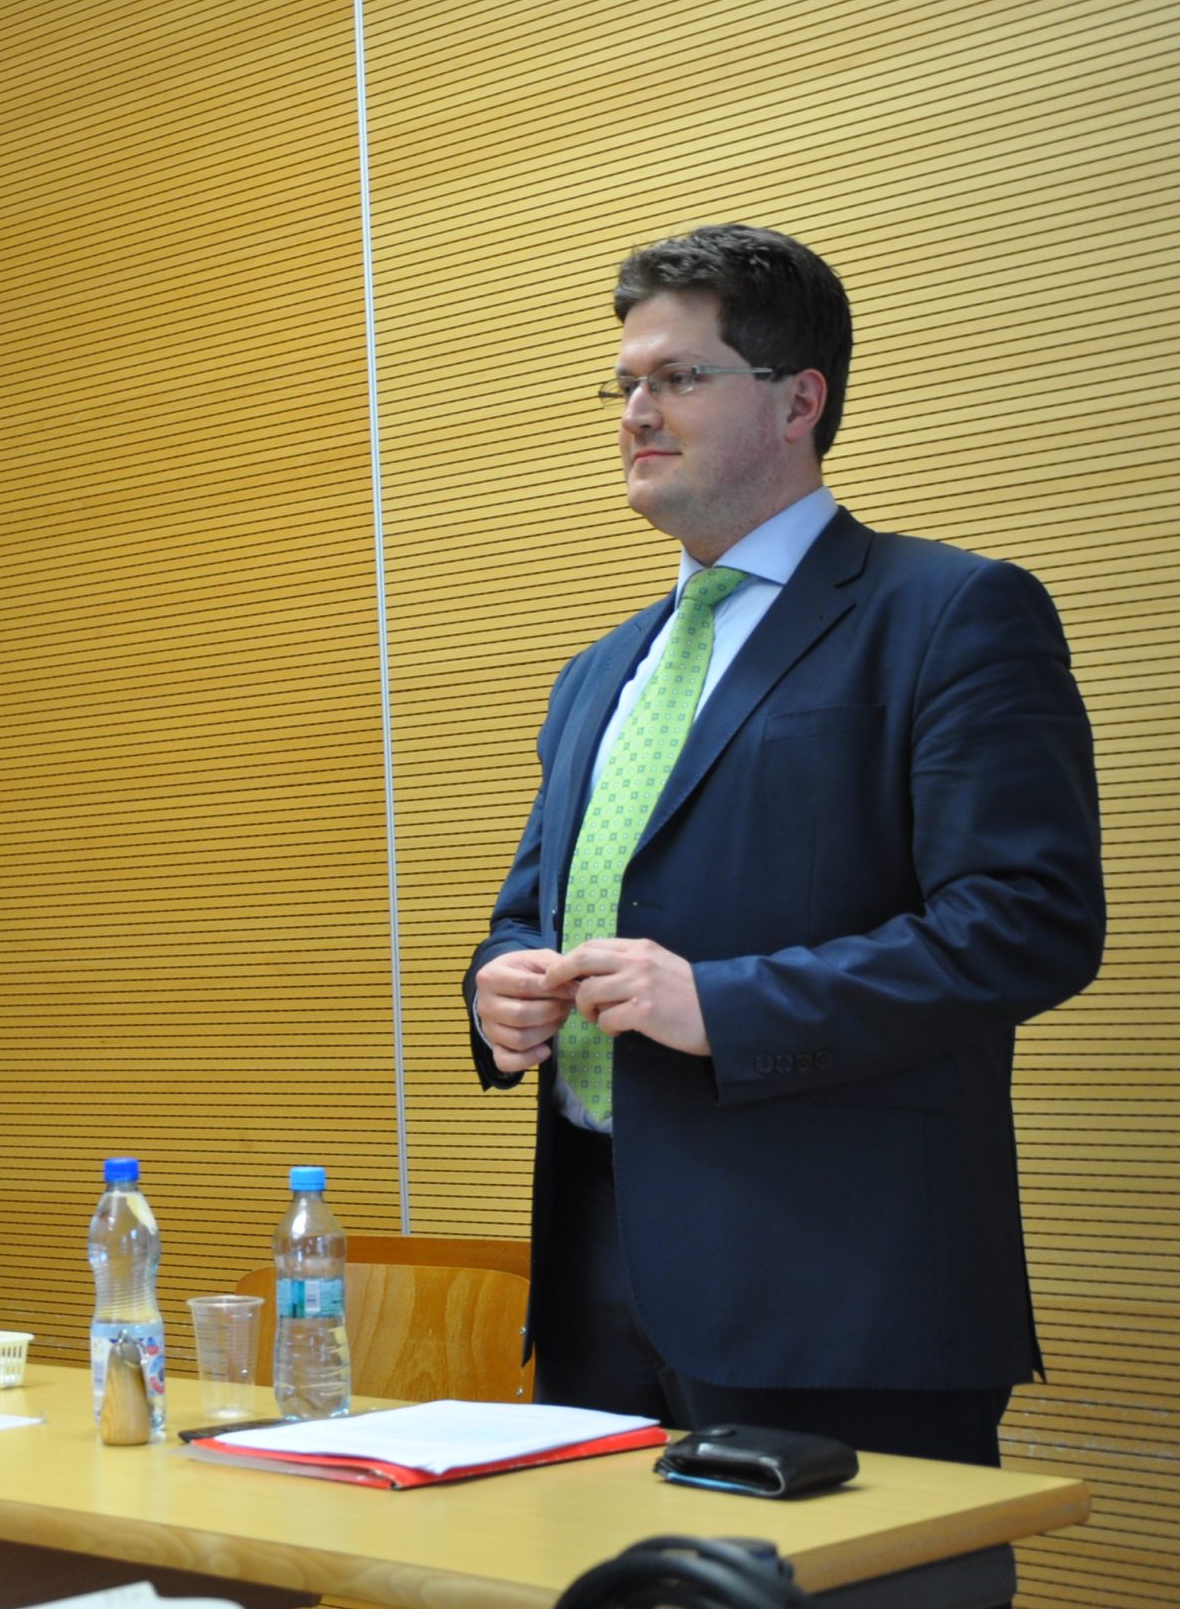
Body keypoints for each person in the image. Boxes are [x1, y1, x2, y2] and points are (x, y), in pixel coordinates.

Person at [464, 226, 1103, 1469]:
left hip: (840, 1300)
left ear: (798, 400)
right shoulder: (599, 671)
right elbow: (529, 911)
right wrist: (498, 984)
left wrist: (722, 1005)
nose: (635, 413)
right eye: (624, 383)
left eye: (678, 377)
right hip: (594, 1279)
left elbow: (1025, 924)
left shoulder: (950, 614)